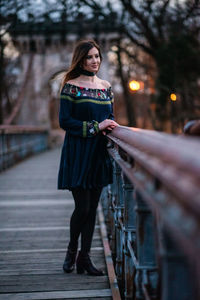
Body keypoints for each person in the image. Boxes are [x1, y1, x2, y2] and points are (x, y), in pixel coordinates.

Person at [57, 39, 118, 276]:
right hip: (78, 151)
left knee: (93, 208)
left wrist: (112, 127)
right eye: (90, 57)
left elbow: (110, 116)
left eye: (97, 56)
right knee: (82, 207)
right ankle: (71, 251)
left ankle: (85, 257)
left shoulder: (106, 86)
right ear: (81, 60)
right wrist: (96, 126)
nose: (95, 61)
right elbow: (65, 121)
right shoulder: (71, 86)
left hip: (99, 153)